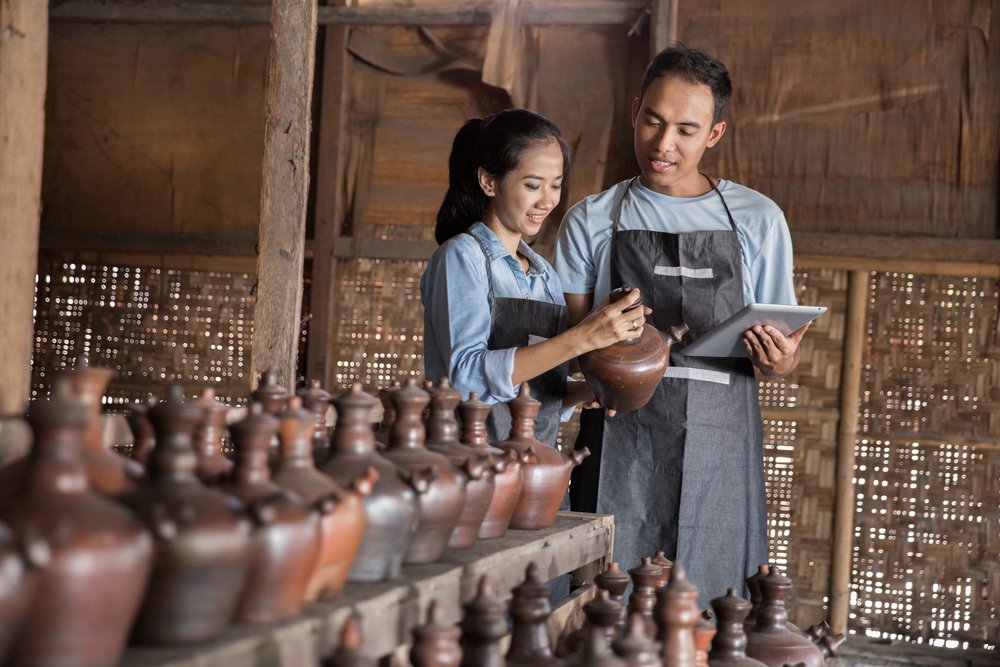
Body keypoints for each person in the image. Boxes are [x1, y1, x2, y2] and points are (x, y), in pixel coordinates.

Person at [553, 46, 811, 608]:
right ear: (634, 110)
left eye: (686, 130)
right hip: (620, 433)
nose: (663, 144)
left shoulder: (757, 219)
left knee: (711, 611)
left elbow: (785, 356)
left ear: (714, 134)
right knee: (606, 604)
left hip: (722, 445)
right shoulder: (593, 219)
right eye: (653, 120)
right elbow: (573, 349)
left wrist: (779, 359)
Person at [421, 108, 647, 446]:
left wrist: (590, 390)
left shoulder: (544, 275)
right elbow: (466, 379)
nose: (548, 200)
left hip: (536, 462)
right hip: (469, 464)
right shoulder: (461, 257)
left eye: (555, 185)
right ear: (488, 181)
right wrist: (583, 337)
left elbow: (538, 390)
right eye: (532, 185)